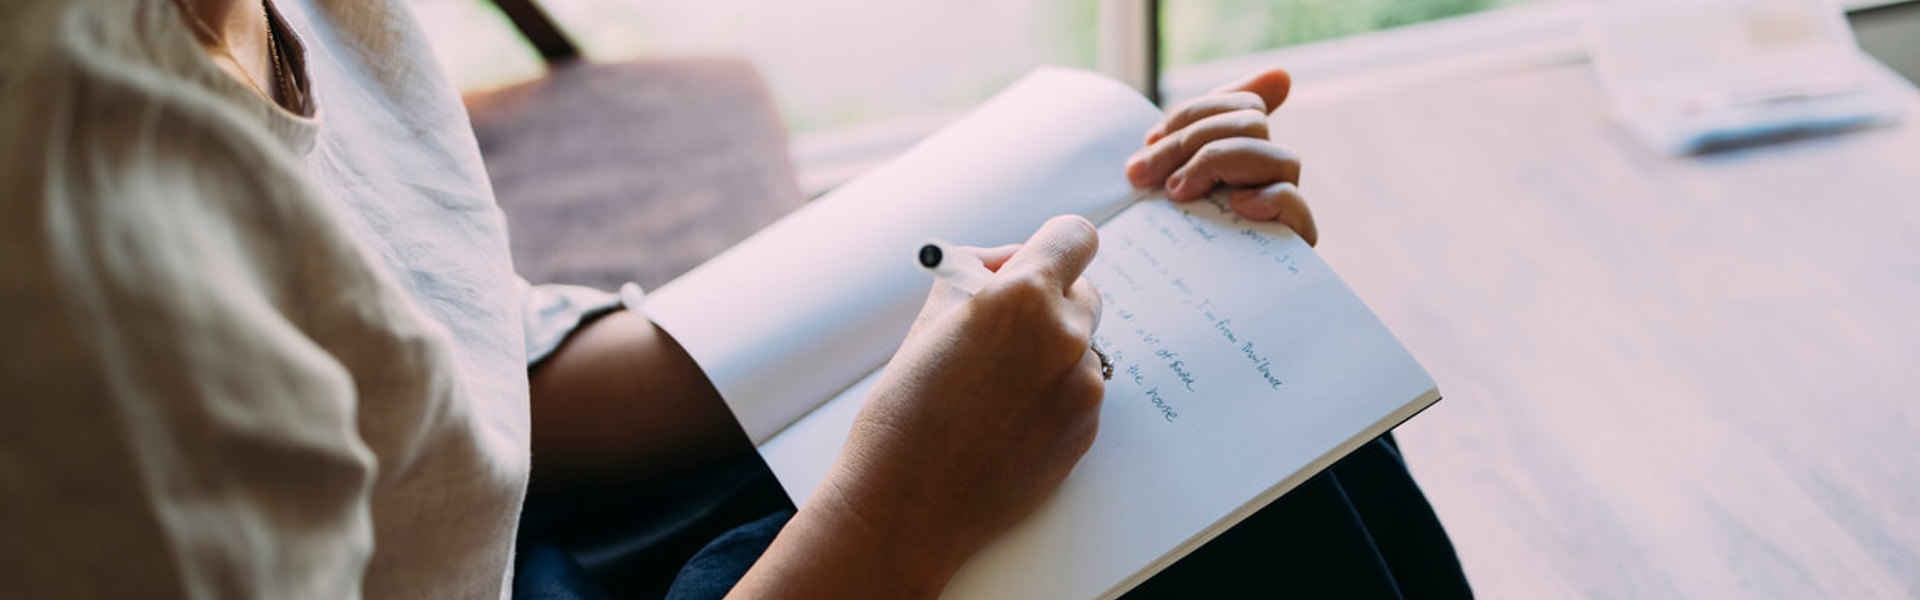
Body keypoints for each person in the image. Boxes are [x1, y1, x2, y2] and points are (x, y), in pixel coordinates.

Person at [0, 0, 1469, 597]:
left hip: (502, 545)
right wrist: (900, 504)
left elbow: (444, 380)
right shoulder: (81, 184)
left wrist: (1058, 255)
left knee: (1231, 427)